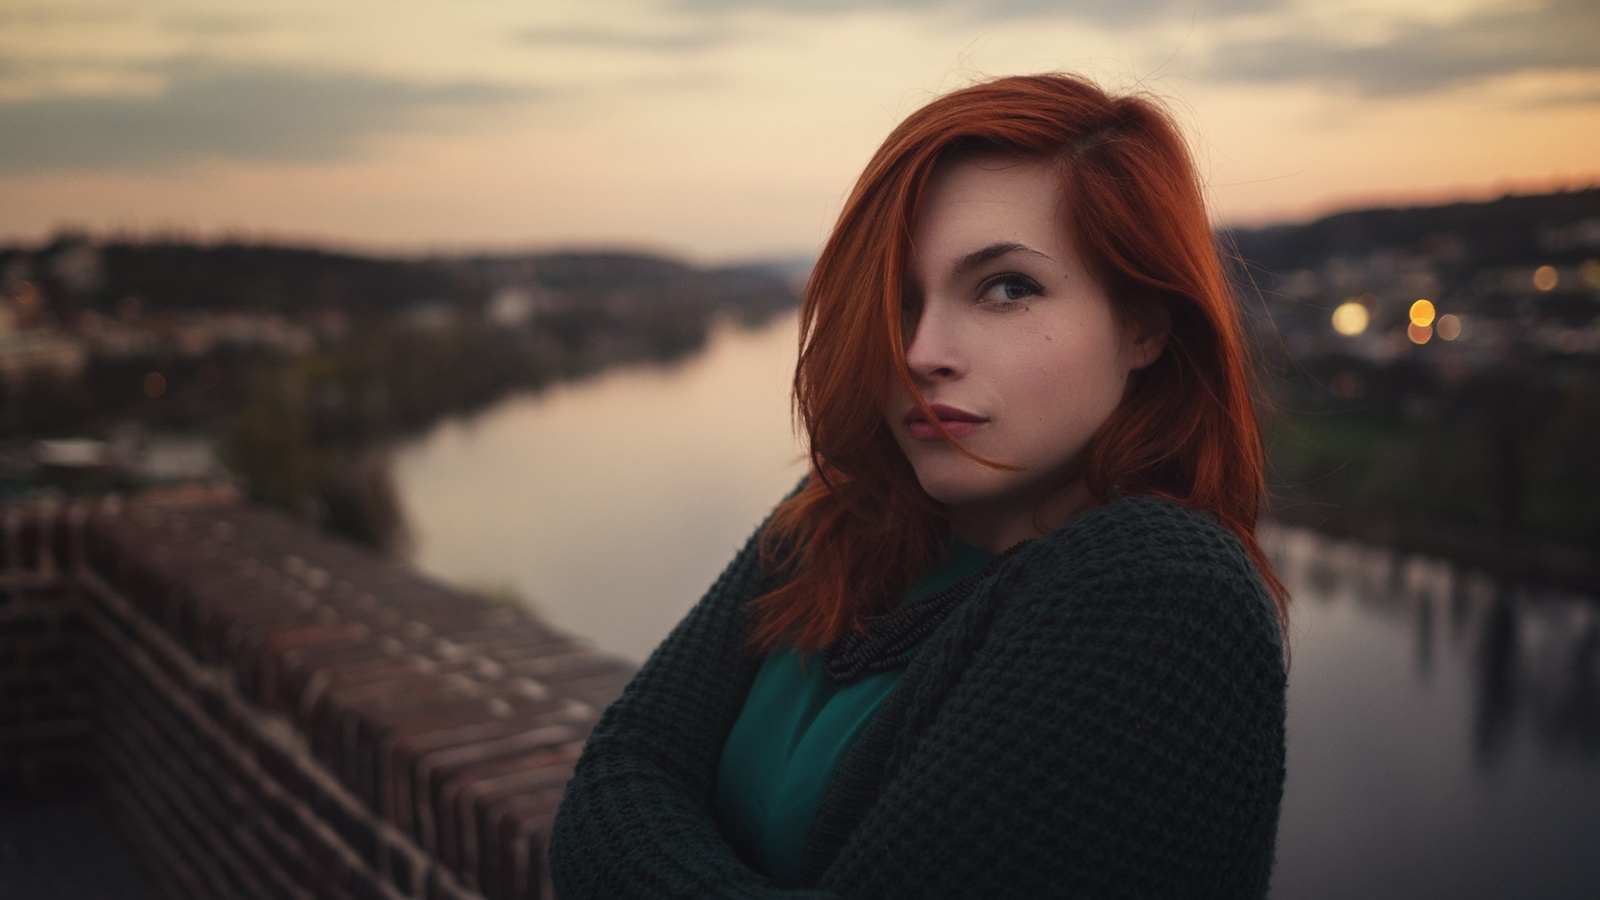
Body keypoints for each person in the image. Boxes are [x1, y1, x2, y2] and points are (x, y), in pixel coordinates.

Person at [549, 72, 1289, 899]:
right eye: (899, 301)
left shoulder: (1165, 592)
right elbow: (618, 772)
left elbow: (626, 820)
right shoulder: (835, 521)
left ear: (1145, 322)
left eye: (1008, 287)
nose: (920, 351)